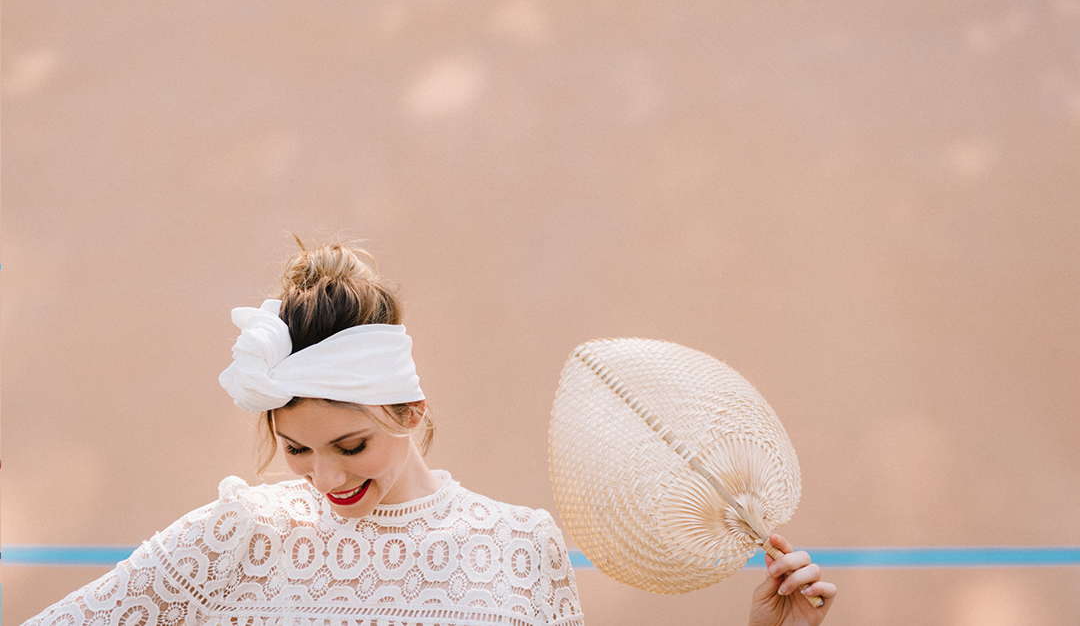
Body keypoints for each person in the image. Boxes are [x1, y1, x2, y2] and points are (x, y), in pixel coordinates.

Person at [24, 241, 836, 626]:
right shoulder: (240, 534)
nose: (323, 478)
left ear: (412, 411)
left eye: (350, 446)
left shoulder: (523, 546)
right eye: (296, 449)